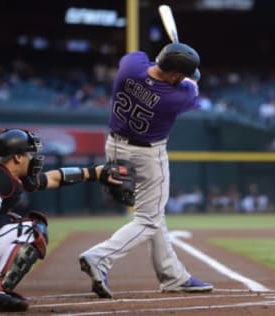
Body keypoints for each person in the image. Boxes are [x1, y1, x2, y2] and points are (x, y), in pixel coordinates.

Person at [78, 42, 213, 299]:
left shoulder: (130, 67)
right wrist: (191, 74)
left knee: (154, 213)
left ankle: (174, 277)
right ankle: (99, 257)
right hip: (147, 155)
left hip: (114, 147)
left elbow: (144, 61)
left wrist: (174, 54)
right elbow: (192, 87)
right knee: (148, 220)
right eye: (180, 74)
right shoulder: (177, 96)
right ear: (174, 74)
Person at [0, 128, 121, 312]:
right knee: (31, 229)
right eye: (30, 153)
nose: (34, 158)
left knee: (23, 224)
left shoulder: (9, 176)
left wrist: (93, 173)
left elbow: (52, 178)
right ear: (18, 157)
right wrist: (9, 221)